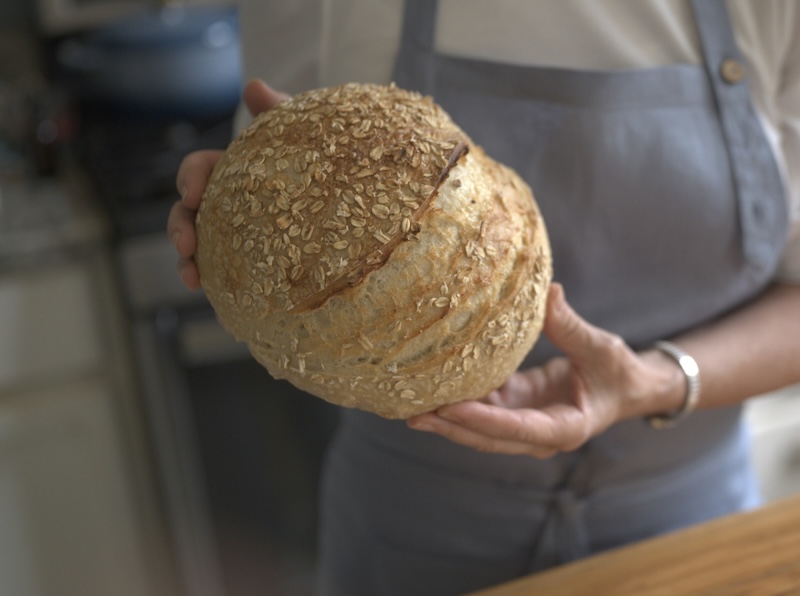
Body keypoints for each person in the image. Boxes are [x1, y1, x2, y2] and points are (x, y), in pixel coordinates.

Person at [169, 1, 800, 594]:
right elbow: (264, 222)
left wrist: (657, 381)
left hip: (694, 531)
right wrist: (252, 204)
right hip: (411, 534)